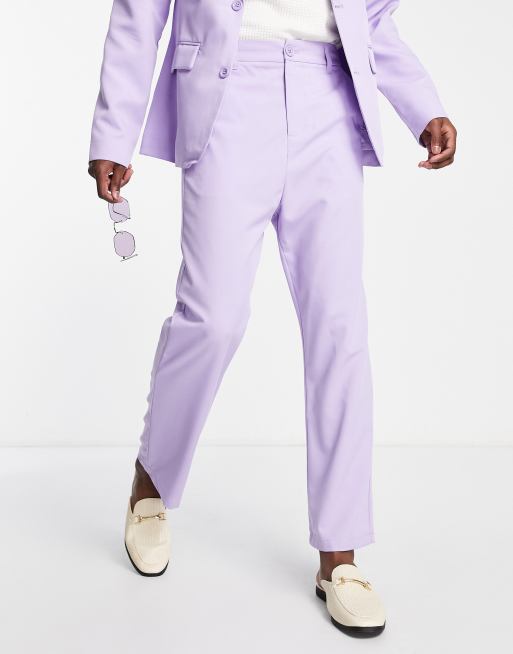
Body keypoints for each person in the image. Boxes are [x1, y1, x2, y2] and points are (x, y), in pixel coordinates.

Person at [88, 0, 456, 638]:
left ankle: (340, 553)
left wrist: (423, 106)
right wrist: (113, 134)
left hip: (330, 95)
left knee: (340, 329)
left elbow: (371, 20)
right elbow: (139, 13)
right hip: (226, 92)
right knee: (213, 318)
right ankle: (152, 477)